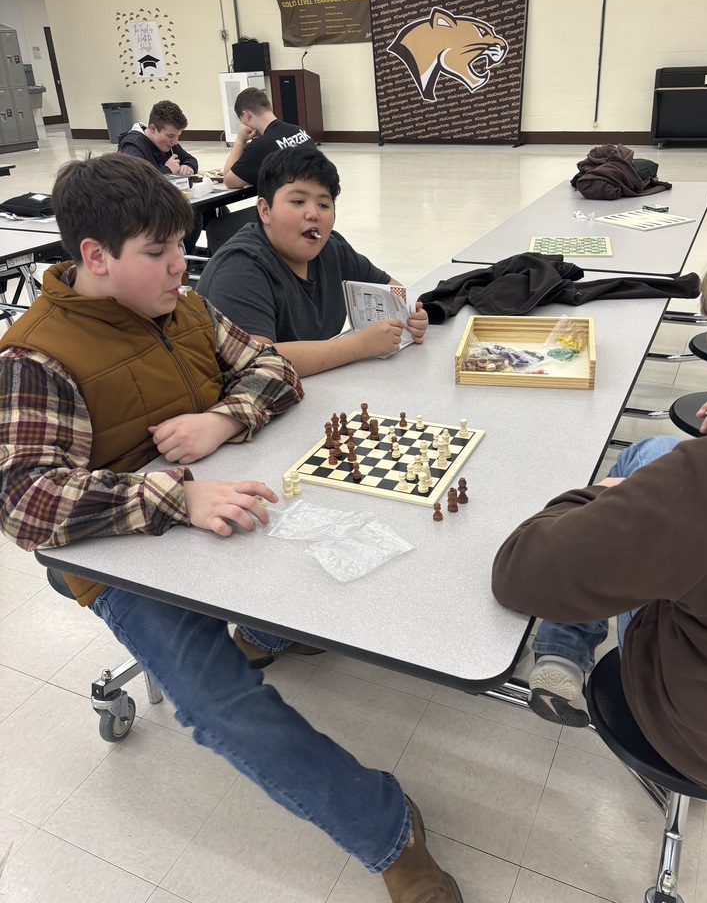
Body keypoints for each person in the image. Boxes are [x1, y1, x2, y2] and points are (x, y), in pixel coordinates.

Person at [0, 153, 462, 903]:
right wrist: (175, 496)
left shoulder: (181, 306)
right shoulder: (37, 354)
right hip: (118, 554)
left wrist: (221, 419)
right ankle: (387, 829)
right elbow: (25, 501)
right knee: (218, 710)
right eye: (158, 254)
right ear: (95, 257)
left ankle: (265, 632)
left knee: (363, 536)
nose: (182, 268)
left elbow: (271, 370)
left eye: (182, 247)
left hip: (216, 492)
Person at [491, 231, 707, 810]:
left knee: (641, 465)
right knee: (653, 451)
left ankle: (562, 647)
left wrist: (604, 496)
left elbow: (522, 571)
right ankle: (563, 645)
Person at [197, 145, 430, 377]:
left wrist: (412, 315)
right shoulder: (240, 268)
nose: (313, 214)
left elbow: (393, 289)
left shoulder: (332, 249)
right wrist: (359, 345)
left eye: (324, 204)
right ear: (265, 210)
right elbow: (258, 362)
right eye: (298, 201)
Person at [222, 86, 314, 190]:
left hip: (287, 203)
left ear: (246, 115)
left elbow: (229, 180)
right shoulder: (300, 131)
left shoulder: (260, 146)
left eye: (242, 121)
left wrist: (240, 140)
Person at [117, 99, 199, 177]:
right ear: (153, 128)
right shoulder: (132, 146)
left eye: (177, 136)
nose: (174, 142)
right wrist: (167, 170)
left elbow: (190, 159)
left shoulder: (168, 144)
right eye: (170, 136)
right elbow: (135, 178)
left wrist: (188, 166)